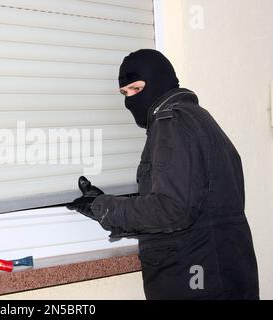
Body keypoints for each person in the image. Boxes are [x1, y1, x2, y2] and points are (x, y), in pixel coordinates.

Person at [67, 49, 259, 300]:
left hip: (197, 282)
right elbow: (185, 199)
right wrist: (110, 205)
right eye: (125, 93)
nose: (129, 101)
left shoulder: (171, 123)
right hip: (220, 275)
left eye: (136, 89)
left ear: (158, 79)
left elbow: (170, 209)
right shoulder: (197, 118)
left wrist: (103, 207)